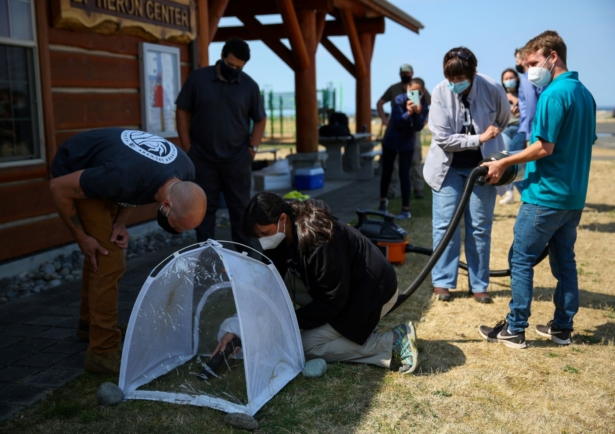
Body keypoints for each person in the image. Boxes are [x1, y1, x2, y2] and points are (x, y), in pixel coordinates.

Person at [50, 128, 207, 374]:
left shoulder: (184, 171)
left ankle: (89, 325)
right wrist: (81, 237)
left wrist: (120, 222)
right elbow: (58, 187)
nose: (176, 231)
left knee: (101, 252)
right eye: (176, 225)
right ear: (166, 205)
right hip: (74, 166)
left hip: (107, 167)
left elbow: (141, 190)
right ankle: (102, 351)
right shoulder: (121, 177)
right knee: (109, 260)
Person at [214, 192, 419, 374]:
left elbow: (333, 300)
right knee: (280, 282)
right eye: (258, 236)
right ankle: (348, 336)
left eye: (265, 234)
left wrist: (287, 322)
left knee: (305, 347)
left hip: (372, 293)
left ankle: (391, 344)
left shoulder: (319, 240)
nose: (263, 241)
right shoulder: (282, 233)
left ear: (282, 218)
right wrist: (238, 327)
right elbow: (265, 284)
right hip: (340, 288)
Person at [479, 31, 596, 349]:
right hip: (572, 197)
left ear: (552, 57)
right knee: (565, 262)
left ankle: (515, 329)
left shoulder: (554, 95)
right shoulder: (584, 95)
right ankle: (562, 328)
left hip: (544, 196)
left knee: (520, 259)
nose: (529, 70)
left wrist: (504, 163)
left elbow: (543, 147)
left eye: (533, 62)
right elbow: (578, 146)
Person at [423, 47, 509, 304]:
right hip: (447, 169)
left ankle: (479, 284)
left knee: (480, 226)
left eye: (460, 79)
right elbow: (443, 139)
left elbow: (503, 119)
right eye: (451, 79)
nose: (455, 84)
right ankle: (443, 282)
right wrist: (479, 137)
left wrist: (490, 137)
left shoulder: (492, 88)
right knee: (445, 225)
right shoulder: (440, 92)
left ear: (473, 73)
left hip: (482, 168)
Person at [175, 38, 266, 244]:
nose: (233, 69)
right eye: (230, 65)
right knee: (203, 209)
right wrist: (187, 147)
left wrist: (252, 149)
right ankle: (207, 257)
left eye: (238, 67)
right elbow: (182, 110)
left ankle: (243, 256)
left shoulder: (249, 85)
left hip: (237, 159)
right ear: (222, 57)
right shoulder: (198, 79)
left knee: (241, 209)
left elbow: (260, 118)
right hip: (202, 157)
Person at [377, 64, 432, 200]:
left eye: (407, 73)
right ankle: (390, 191)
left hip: (412, 132)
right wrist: (385, 119)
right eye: (403, 73)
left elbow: (430, 105)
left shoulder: (419, 88)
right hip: (396, 130)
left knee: (415, 161)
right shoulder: (394, 89)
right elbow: (380, 102)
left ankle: (418, 189)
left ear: (412, 73)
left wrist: (423, 118)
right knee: (393, 165)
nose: (405, 75)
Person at [499, 48, 546, 205]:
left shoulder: (527, 79)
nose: (517, 63)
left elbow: (531, 110)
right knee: (515, 163)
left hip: (524, 129)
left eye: (518, 60)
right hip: (521, 129)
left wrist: (528, 136)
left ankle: (529, 193)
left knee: (509, 162)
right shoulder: (532, 79)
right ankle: (524, 193)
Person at [498, 67, 521, 205]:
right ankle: (509, 193)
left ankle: (525, 191)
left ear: (517, 79)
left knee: (519, 161)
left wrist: (514, 99)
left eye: (511, 78)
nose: (509, 81)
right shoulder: (500, 94)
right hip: (505, 129)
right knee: (507, 160)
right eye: (506, 79)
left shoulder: (524, 93)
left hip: (520, 128)